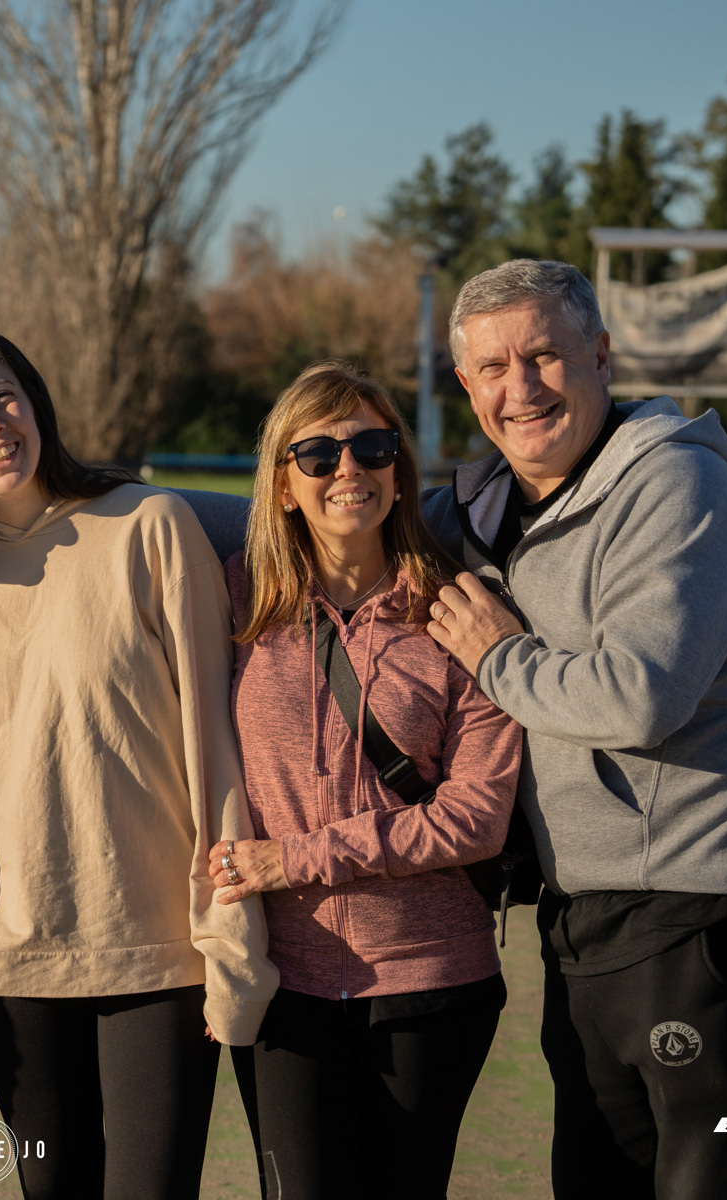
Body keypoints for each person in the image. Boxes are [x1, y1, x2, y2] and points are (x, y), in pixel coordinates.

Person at [422, 259, 727, 1200]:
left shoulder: (678, 483)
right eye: (493, 368)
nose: (520, 388)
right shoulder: (490, 508)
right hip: (593, 916)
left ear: (601, 356)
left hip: (720, 915)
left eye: (545, 356)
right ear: (466, 386)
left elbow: (640, 696)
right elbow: (333, 528)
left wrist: (497, 656)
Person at [0, 325, 277, 1200]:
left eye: (3, 396)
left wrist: (230, 928)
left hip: (157, 946)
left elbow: (212, 744)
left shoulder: (148, 524)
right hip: (16, 951)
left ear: (36, 403)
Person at [208, 361, 522, 1200]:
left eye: (371, 447)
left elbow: (475, 820)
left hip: (432, 982)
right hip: (283, 983)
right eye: (318, 454)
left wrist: (295, 859)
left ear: (398, 469)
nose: (349, 469)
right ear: (284, 485)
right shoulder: (237, 605)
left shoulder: (460, 613)